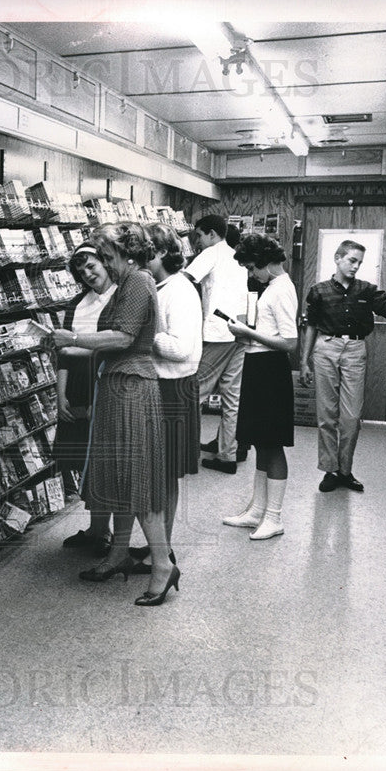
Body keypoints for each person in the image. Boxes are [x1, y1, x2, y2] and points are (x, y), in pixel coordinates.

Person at [51, 222, 179, 606]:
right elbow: (111, 345)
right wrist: (63, 347)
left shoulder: (138, 282)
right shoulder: (129, 284)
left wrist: (72, 338)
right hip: (118, 386)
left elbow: (123, 338)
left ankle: (162, 565)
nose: (104, 264)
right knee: (125, 481)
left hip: (131, 391)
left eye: (107, 256)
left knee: (138, 483)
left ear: (127, 252)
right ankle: (120, 553)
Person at [300, 239, 386, 492]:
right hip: (326, 349)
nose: (355, 267)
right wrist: (304, 361)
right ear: (337, 258)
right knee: (326, 415)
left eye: (359, 263)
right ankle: (330, 471)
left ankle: (345, 470)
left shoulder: (368, 290)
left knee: (351, 417)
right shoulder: (319, 291)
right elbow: (311, 326)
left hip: (356, 350)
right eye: (351, 260)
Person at [126, 222, 202, 573]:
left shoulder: (179, 291)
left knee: (165, 473)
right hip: (163, 387)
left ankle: (165, 550)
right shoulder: (162, 286)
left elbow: (182, 348)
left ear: (156, 252)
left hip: (174, 389)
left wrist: (148, 331)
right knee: (161, 473)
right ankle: (162, 546)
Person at [222, 234, 299, 540]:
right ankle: (258, 511)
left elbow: (289, 342)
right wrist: (249, 334)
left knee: (273, 444)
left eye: (253, 267)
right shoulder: (272, 287)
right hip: (259, 364)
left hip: (271, 369)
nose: (251, 274)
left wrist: (247, 332)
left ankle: (274, 517)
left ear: (267, 261)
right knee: (259, 442)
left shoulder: (282, 289)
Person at [53, 242, 117, 556]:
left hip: (103, 382)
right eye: (82, 271)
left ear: (106, 262)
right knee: (83, 458)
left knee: (102, 460)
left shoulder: (120, 299)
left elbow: (114, 346)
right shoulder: (77, 303)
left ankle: (104, 532)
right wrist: (60, 395)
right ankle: (96, 527)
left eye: (92, 266)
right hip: (77, 385)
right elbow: (63, 355)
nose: (89, 274)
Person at [183, 214, 248, 474]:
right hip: (240, 333)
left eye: (198, 235)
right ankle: (227, 456)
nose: (197, 242)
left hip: (217, 333)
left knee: (192, 394)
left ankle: (186, 455)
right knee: (232, 399)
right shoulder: (236, 257)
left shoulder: (212, 253)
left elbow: (184, 281)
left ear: (211, 234)